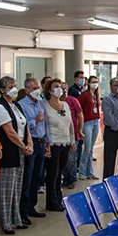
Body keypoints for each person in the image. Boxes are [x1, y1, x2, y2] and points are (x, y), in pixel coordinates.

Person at [0, 77, 32, 234]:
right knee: (6, 190)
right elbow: (9, 131)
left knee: (17, 188)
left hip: (20, 150)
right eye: (10, 87)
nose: (14, 89)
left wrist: (29, 144)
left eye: (15, 86)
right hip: (9, 153)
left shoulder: (15, 105)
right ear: (2, 90)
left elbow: (25, 125)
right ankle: (6, 222)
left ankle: (17, 219)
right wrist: (23, 146)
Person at [18, 77, 50, 223]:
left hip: (41, 141)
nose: (37, 90)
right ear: (27, 90)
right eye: (34, 88)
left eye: (38, 87)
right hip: (30, 144)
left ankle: (32, 206)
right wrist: (35, 121)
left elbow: (46, 124)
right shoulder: (21, 105)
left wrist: (47, 142)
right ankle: (23, 210)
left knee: (37, 176)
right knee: (28, 177)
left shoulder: (40, 103)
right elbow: (22, 126)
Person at [43, 79, 75, 211]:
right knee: (52, 173)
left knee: (60, 172)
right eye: (56, 87)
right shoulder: (45, 106)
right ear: (50, 90)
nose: (60, 89)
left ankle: (58, 197)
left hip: (65, 142)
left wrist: (72, 141)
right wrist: (46, 143)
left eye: (61, 87)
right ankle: (51, 201)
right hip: (53, 143)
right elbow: (44, 126)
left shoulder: (65, 105)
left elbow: (70, 124)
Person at [78, 75, 101, 180]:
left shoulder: (96, 95)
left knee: (91, 148)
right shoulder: (84, 95)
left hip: (96, 121)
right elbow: (79, 110)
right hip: (87, 123)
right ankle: (82, 172)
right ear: (88, 83)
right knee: (87, 148)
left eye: (96, 82)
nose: (94, 84)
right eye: (93, 82)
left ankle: (90, 172)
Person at [62, 87, 84, 189]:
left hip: (73, 133)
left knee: (71, 159)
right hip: (61, 136)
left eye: (64, 89)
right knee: (64, 159)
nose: (63, 91)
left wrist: (80, 130)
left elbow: (80, 115)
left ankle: (72, 179)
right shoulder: (55, 102)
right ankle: (65, 178)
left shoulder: (72, 100)